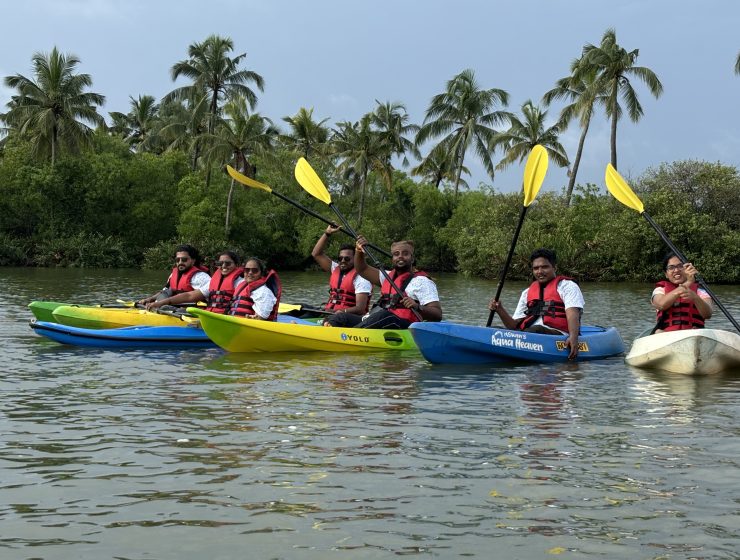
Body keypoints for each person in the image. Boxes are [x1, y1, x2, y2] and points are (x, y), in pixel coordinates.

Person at [326, 237, 442, 329]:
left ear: (412, 258)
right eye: (396, 254)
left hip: (403, 325)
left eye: (405, 253)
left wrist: (417, 306)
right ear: (392, 258)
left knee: (384, 316)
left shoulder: (422, 281)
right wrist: (359, 251)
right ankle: (330, 332)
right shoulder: (386, 276)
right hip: (377, 321)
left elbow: (437, 315)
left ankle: (351, 334)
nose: (400, 256)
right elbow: (362, 269)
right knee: (338, 317)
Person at [488, 248, 583, 359]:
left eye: (544, 267)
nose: (540, 272)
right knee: (492, 329)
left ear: (554, 267)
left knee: (536, 329)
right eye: (536, 268)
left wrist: (573, 337)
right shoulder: (527, 293)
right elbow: (513, 326)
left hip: (558, 334)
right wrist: (500, 310)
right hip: (529, 334)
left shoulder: (567, 286)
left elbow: (572, 313)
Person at [311, 224, 372, 326]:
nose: (343, 261)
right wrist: (327, 233)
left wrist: (342, 312)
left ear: (355, 259)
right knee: (299, 308)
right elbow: (316, 254)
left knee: (335, 318)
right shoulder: (335, 268)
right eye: (340, 258)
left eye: (347, 259)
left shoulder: (361, 278)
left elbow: (360, 308)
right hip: (329, 312)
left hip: (347, 317)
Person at [146, 251, 244, 314]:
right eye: (220, 264)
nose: (223, 266)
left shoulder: (241, 283)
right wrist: (161, 303)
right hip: (211, 315)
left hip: (226, 319)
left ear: (237, 265)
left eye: (228, 263)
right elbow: (189, 296)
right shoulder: (213, 282)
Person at [651, 253, 712, 332]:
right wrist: (688, 283)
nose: (676, 270)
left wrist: (695, 297)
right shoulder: (660, 290)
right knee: (658, 332)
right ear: (666, 274)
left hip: (694, 333)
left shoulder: (700, 292)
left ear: (688, 269)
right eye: (671, 267)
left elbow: (707, 314)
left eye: (680, 266)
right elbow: (661, 305)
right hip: (666, 335)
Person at [138, 244, 210, 305]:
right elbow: (165, 292)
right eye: (177, 260)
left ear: (193, 261)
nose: (180, 262)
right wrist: (150, 299)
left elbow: (211, 296)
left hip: (190, 311)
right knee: (167, 292)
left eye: (184, 260)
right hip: (172, 307)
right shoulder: (173, 275)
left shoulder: (200, 277)